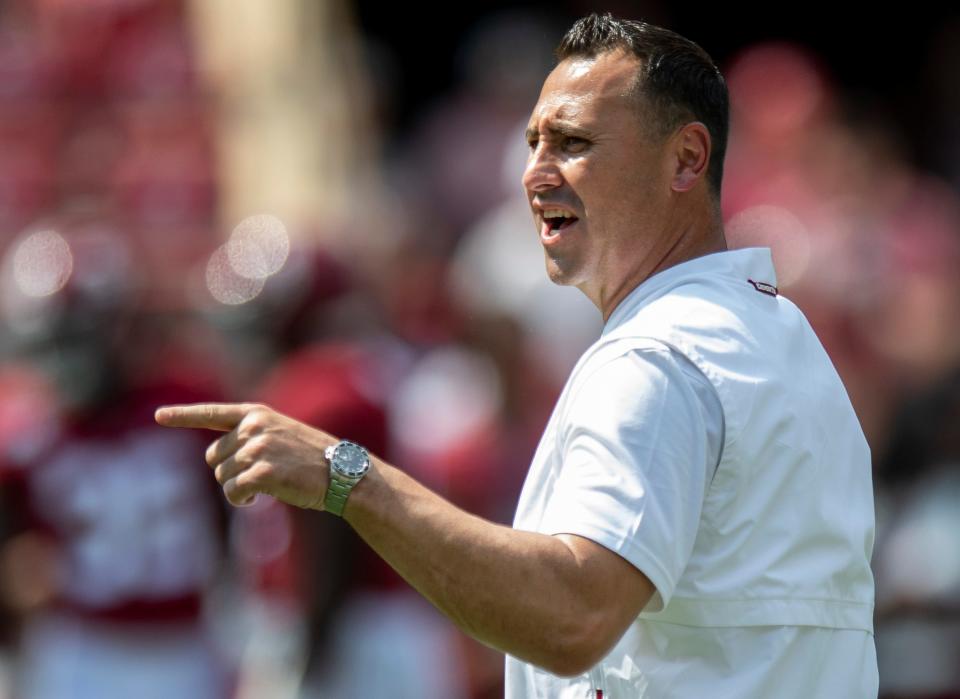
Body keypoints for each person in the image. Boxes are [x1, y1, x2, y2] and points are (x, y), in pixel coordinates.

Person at [155, 12, 879, 698]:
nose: (534, 174)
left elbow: (575, 617)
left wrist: (348, 478)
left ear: (686, 159)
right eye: (533, 142)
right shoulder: (782, 335)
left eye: (573, 143)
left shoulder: (658, 358)